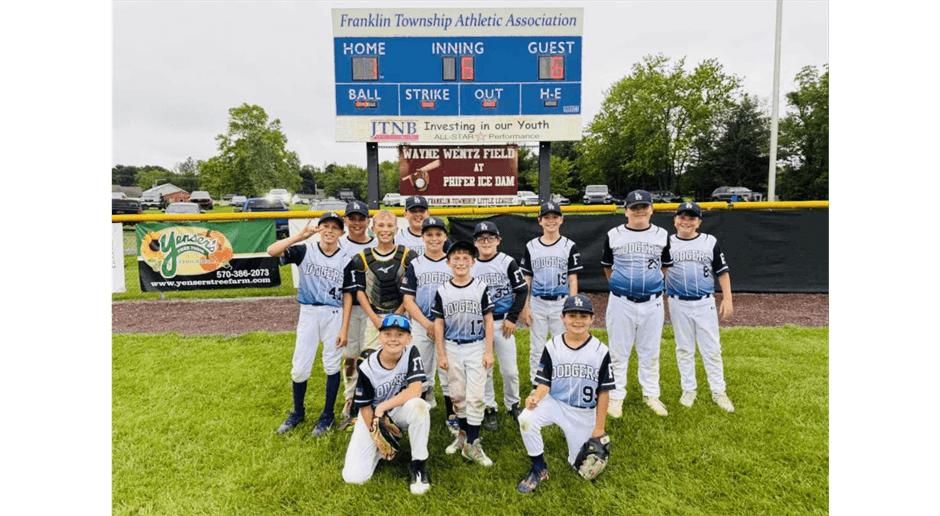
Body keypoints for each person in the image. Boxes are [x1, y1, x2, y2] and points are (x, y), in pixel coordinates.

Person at [516, 294, 614, 493]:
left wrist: (599, 428)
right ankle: (538, 468)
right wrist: (536, 397)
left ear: (592, 319)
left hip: (583, 413)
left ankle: (586, 442)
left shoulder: (600, 351)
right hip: (555, 403)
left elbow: (604, 392)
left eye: (583, 316)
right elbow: (544, 382)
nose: (577, 320)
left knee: (578, 468)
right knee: (526, 418)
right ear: (563, 318)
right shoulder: (552, 346)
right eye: (572, 315)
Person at [267, 212, 355, 436]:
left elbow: (348, 295)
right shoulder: (305, 250)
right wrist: (298, 236)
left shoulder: (346, 258)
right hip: (308, 312)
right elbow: (272, 251)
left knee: (332, 364)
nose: (329, 230)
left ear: (341, 233)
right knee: (299, 366)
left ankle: (327, 416)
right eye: (325, 226)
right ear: (318, 229)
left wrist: (345, 327)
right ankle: (298, 412)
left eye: (334, 227)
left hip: (333, 313)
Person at [341, 315, 432, 495]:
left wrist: (384, 406)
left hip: (398, 410)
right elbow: (365, 408)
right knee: (354, 478)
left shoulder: (411, 352)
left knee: (419, 406)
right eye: (388, 334)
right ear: (380, 337)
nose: (393, 339)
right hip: (372, 416)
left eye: (400, 335)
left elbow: (415, 390)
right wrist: (378, 439)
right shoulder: (367, 366)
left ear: (409, 339)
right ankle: (381, 448)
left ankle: (419, 465)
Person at [601, 190, 672, 417]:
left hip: (652, 301)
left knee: (650, 351)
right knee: (618, 352)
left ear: (651, 210)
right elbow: (607, 267)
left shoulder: (662, 234)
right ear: (626, 212)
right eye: (634, 207)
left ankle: (651, 394)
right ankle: (615, 397)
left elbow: (665, 266)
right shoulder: (614, 234)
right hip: (621, 301)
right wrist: (622, 286)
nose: (639, 211)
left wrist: (650, 284)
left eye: (643, 207)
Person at [343, 210, 416, 427]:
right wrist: (375, 319)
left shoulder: (407, 256)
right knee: (367, 360)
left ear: (397, 229)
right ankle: (360, 404)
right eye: (380, 226)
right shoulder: (362, 258)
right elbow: (360, 292)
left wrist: (398, 315)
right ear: (373, 229)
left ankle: (398, 403)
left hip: (401, 313)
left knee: (400, 359)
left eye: (389, 225)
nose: (385, 230)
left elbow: (411, 290)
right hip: (374, 316)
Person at [663, 202, 735, 412]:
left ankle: (718, 391)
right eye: (682, 217)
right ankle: (689, 389)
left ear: (699, 222)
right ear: (675, 220)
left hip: (704, 301)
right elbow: (660, 272)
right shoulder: (666, 243)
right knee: (684, 347)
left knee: (711, 348)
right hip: (677, 301)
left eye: (692, 218)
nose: (686, 221)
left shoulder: (709, 241)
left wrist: (728, 298)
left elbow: (722, 271)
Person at [433, 241, 495, 466]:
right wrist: (440, 353)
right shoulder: (443, 289)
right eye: (456, 258)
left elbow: (488, 319)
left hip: (476, 346)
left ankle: (473, 442)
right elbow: (438, 323)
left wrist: (489, 350)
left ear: (473, 262)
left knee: (476, 395)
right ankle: (462, 436)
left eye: (466, 258)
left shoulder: (480, 286)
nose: (461, 262)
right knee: (457, 395)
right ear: (448, 262)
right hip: (452, 346)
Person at [471, 221, 529, 431]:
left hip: (502, 322)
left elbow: (521, 290)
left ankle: (513, 404)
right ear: (475, 242)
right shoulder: (471, 265)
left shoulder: (507, 261)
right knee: (484, 368)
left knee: (510, 370)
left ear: (498, 240)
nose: (486, 242)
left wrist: (513, 318)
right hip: (479, 323)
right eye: (481, 238)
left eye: (490, 238)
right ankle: (489, 407)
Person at [519, 202, 583, 388]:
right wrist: (526, 306)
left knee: (562, 343)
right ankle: (536, 383)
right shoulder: (532, 246)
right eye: (546, 217)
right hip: (538, 301)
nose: (551, 221)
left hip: (561, 301)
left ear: (561, 219)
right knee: (537, 346)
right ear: (540, 221)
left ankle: (560, 381)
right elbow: (527, 279)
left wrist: (571, 306)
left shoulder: (569, 246)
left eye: (555, 217)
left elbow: (573, 279)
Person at [401, 216, 453, 422]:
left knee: (449, 371)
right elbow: (408, 299)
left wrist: (439, 324)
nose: (434, 238)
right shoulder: (415, 264)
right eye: (429, 234)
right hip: (422, 324)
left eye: (438, 234)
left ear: (445, 236)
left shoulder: (453, 261)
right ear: (422, 237)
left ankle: (453, 416)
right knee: (419, 370)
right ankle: (418, 415)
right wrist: (427, 324)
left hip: (449, 325)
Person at [336, 200, 376, 430]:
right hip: (349, 309)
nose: (357, 222)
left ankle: (370, 398)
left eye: (361, 218)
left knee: (370, 357)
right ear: (346, 221)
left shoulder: (377, 245)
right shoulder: (340, 246)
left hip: (373, 309)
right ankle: (350, 397)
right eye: (353, 218)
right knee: (350, 357)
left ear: (368, 221)